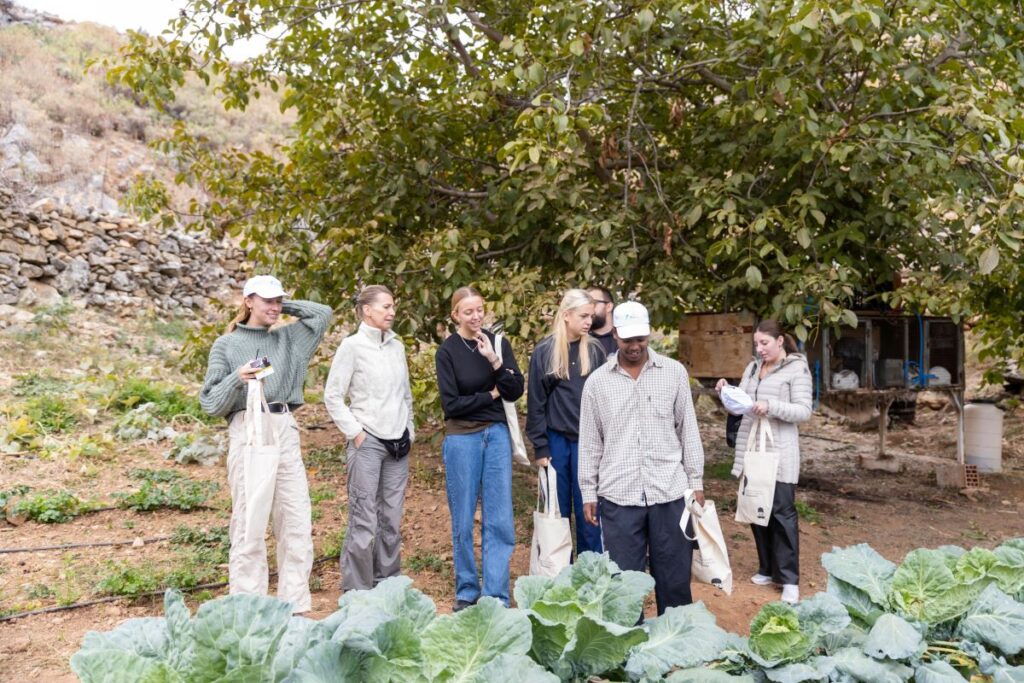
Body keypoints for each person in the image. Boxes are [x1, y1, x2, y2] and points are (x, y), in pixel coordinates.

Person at [200, 275, 332, 613]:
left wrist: (279, 308)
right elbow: (211, 403)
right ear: (248, 301)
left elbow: (323, 314)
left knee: (295, 515)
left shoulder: (290, 339)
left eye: (279, 301)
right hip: (248, 427)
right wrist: (237, 378)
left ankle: (294, 604)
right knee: (250, 517)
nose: (274, 306)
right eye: (267, 300)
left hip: (283, 424)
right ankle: (249, 604)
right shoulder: (226, 345)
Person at [578, 300, 706, 615]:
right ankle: (627, 649)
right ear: (616, 336)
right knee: (624, 583)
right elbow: (591, 442)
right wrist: (588, 491)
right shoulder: (597, 383)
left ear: (648, 335)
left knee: (674, 578)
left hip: (669, 491)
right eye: (627, 339)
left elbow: (687, 430)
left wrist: (697, 481)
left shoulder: (674, 373)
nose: (635, 346)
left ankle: (674, 643)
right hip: (619, 495)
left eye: (641, 339)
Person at [434, 286, 525, 610]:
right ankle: (467, 590)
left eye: (480, 309)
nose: (476, 316)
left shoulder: (497, 343)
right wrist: (490, 395)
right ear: (455, 315)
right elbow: (452, 405)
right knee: (462, 518)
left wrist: (494, 361)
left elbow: (515, 389)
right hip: (462, 439)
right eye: (468, 311)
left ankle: (496, 594)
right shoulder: (447, 352)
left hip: (496, 436)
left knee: (499, 517)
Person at [324, 285, 414, 593]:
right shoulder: (352, 346)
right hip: (368, 442)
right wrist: (356, 433)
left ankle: (387, 588)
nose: (392, 312)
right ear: (367, 310)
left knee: (391, 519)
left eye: (393, 306)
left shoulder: (396, 346)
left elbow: (405, 395)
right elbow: (332, 396)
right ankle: (357, 592)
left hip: (398, 443)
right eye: (386, 307)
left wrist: (409, 430)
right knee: (364, 520)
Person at [715, 319, 812, 604]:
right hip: (752, 448)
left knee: (782, 513)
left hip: (779, 451)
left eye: (765, 344)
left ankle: (789, 579)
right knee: (757, 509)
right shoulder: (753, 367)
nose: (759, 349)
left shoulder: (797, 369)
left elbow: (804, 410)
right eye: (756, 344)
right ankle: (768, 568)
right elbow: (743, 402)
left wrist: (772, 407)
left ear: (780, 341)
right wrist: (727, 391)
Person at [526, 288, 606, 556]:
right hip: (556, 442)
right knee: (557, 513)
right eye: (583, 316)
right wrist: (540, 447)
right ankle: (559, 571)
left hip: (588, 443)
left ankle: (590, 571)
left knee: (589, 509)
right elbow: (536, 402)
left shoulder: (594, 350)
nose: (588, 322)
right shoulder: (545, 352)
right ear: (566, 315)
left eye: (591, 317)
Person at [586, 286, 617, 356]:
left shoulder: (623, 338)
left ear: (609, 306)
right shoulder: (580, 339)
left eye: (593, 303)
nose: (588, 308)